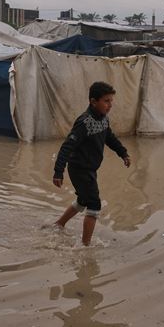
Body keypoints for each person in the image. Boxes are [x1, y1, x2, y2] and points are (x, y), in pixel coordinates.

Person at [51, 81, 131, 246]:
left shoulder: (103, 119)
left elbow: (109, 138)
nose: (110, 105)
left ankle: (59, 224)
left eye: (111, 101)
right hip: (79, 169)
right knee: (94, 204)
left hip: (89, 169)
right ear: (93, 102)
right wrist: (58, 171)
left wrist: (122, 152)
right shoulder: (84, 122)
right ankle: (85, 246)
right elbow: (67, 146)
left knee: (83, 200)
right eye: (106, 101)